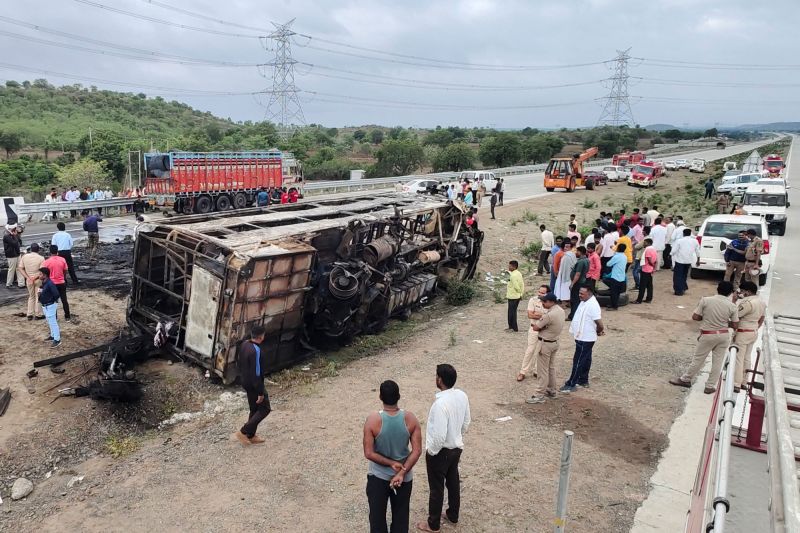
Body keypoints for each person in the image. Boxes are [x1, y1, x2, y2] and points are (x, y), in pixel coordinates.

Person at [364, 380, 422, 533]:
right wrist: (402, 472)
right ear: (399, 396)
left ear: (380, 396)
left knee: (377, 519)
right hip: (404, 477)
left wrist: (390, 463)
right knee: (401, 518)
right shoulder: (410, 419)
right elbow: (416, 451)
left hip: (378, 477)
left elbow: (368, 453)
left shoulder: (373, 420)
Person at [418, 364, 470, 533]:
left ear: (439, 380)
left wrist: (432, 452)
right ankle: (453, 514)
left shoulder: (439, 405)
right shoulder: (462, 396)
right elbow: (466, 422)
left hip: (441, 452)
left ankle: (433, 524)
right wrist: (457, 436)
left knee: (436, 488)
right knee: (453, 481)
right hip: (456, 448)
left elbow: (439, 435)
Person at [670, 281, 739, 394]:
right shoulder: (732, 306)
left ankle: (686, 379)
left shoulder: (706, 300)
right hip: (723, 335)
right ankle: (710, 386)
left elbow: (695, 317)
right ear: (730, 293)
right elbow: (735, 325)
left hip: (708, 334)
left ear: (718, 289)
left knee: (698, 358)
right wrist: (725, 322)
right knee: (718, 361)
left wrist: (708, 318)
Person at [561, 286, 604, 392]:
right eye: (579, 293)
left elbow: (599, 323)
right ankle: (583, 380)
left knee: (578, 360)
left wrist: (599, 331)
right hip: (581, 336)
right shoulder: (584, 301)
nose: (579, 295)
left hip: (586, 338)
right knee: (586, 358)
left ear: (589, 293)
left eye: (582, 293)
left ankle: (571, 383)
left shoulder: (593, 305)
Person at [526, 293, 566, 404]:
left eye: (544, 301)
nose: (542, 303)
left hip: (545, 344)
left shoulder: (549, 315)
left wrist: (542, 325)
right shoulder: (560, 310)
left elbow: (535, 327)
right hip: (555, 342)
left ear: (551, 302)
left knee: (542, 370)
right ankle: (551, 390)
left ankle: (539, 394)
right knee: (551, 368)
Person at [234, 325, 271, 445]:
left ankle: (251, 435)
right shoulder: (256, 350)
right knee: (265, 409)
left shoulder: (244, 344)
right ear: (261, 337)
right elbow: (256, 373)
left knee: (254, 409)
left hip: (245, 381)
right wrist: (260, 392)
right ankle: (243, 431)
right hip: (254, 384)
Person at [732, 281, 766, 392]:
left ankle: (736, 383)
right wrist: (755, 327)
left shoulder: (747, 303)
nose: (741, 293)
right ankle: (744, 382)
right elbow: (762, 318)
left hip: (743, 332)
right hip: (753, 331)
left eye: (742, 291)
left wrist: (734, 301)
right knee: (747, 357)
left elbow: (735, 315)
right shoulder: (761, 301)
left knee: (739, 358)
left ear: (748, 291)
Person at [517, 284, 549, 381]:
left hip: (544, 330)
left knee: (541, 351)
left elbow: (549, 317)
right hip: (533, 329)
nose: (540, 294)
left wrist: (538, 314)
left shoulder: (550, 303)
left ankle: (536, 370)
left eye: (543, 293)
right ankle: (523, 371)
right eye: (539, 292)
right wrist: (543, 316)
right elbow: (530, 315)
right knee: (530, 350)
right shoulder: (533, 300)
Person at [43, 245, 71, 321]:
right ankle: (67, 316)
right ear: (57, 251)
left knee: (52, 301)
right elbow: (65, 270)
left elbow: (45, 274)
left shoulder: (46, 262)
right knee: (64, 300)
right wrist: (63, 276)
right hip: (61, 282)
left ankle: (54, 318)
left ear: (50, 252)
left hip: (52, 284)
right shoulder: (62, 260)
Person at [18, 243, 45, 320]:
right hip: (38, 280)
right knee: (38, 296)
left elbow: (20, 268)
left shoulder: (25, 257)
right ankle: (38, 314)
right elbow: (42, 271)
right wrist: (34, 278)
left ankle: (29, 314)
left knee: (31, 296)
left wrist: (27, 277)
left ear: (30, 249)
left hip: (29, 280)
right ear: (38, 249)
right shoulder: (41, 258)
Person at [671, 228, 699, 296]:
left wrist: (670, 255)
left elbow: (674, 250)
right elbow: (698, 251)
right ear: (690, 233)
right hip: (688, 261)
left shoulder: (679, 241)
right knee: (684, 275)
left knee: (677, 276)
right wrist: (698, 260)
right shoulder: (695, 241)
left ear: (683, 233)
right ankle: (683, 287)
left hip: (680, 261)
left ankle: (678, 291)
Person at [38, 267, 62, 348]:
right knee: (49, 321)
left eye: (40, 274)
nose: (39, 275)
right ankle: (52, 336)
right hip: (45, 306)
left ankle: (57, 339)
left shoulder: (50, 283)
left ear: (45, 275)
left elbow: (56, 294)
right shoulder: (44, 283)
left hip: (50, 305)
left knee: (53, 322)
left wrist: (51, 301)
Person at [567, 246, 589, 320]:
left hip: (578, 283)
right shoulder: (586, 260)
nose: (576, 253)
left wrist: (572, 284)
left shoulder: (581, 262)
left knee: (574, 300)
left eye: (577, 251)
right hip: (583, 282)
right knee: (579, 300)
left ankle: (572, 316)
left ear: (580, 252)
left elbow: (578, 274)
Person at [633, 238, 657, 304]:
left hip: (646, 269)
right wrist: (653, 266)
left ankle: (639, 300)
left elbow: (649, 259)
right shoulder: (653, 249)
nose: (643, 244)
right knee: (649, 285)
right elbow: (655, 260)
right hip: (650, 269)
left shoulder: (648, 249)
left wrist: (651, 264)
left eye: (644, 243)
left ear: (647, 243)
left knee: (642, 285)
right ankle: (649, 298)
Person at [604, 243, 627, 310]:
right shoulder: (624, 256)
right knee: (616, 292)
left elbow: (608, 264)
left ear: (618, 248)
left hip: (615, 277)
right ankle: (614, 304)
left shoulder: (616, 256)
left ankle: (614, 306)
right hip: (622, 277)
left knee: (613, 292)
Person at [3, 224, 25, 289]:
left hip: (17, 253)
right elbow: (14, 243)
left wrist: (17, 235)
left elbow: (19, 242)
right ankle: (9, 283)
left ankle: (21, 283)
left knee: (19, 268)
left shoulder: (14, 235)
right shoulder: (6, 236)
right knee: (11, 269)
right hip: (11, 255)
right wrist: (15, 235)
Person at [506, 260, 524, 332]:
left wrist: (519, 291)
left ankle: (513, 327)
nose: (509, 267)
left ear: (514, 267)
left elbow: (516, 286)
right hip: (517, 296)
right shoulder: (518, 273)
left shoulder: (513, 276)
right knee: (513, 311)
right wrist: (521, 294)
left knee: (511, 312)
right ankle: (512, 327)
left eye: (510, 266)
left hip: (512, 296)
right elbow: (522, 284)